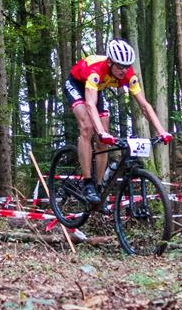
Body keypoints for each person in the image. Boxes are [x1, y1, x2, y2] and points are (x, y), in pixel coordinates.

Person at [64, 39, 172, 205]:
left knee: (103, 141)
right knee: (87, 127)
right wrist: (101, 132)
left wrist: (161, 131)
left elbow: (144, 105)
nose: (124, 70)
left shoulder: (129, 75)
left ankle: (98, 187)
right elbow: (90, 105)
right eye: (120, 66)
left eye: (127, 66)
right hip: (76, 84)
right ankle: (87, 183)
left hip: (96, 89)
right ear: (110, 62)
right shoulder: (96, 71)